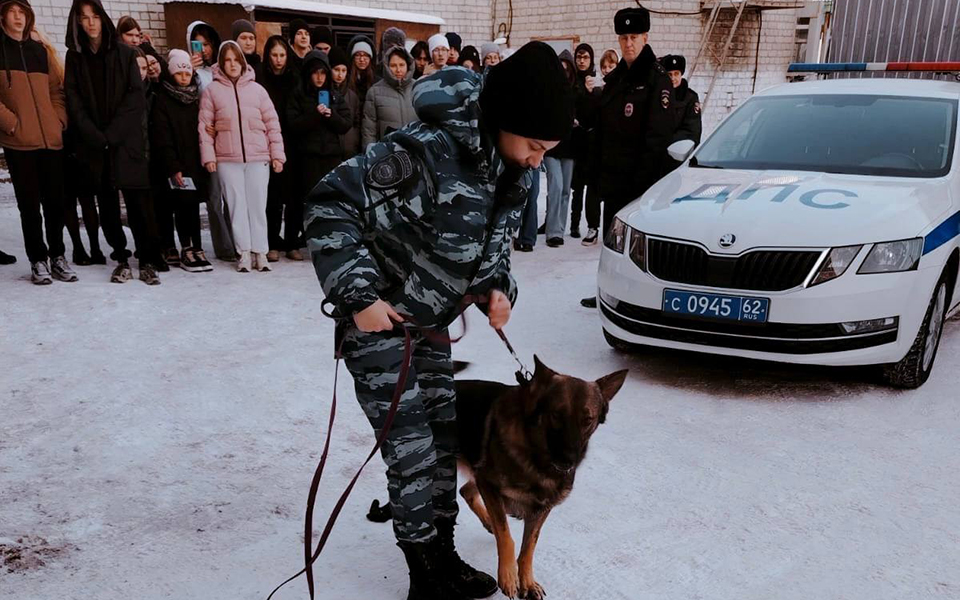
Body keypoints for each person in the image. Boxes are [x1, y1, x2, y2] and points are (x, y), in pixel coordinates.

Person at [304, 41, 573, 600]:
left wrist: (499, 290)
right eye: (534, 146)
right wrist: (358, 296)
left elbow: (492, 254)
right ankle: (424, 575)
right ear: (506, 119)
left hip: (429, 328)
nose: (537, 161)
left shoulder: (512, 173)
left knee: (445, 441)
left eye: (547, 151)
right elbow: (329, 203)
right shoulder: (426, 151)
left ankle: (442, 553)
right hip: (379, 324)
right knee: (412, 450)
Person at [581, 7, 675, 308]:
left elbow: (657, 138)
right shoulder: (617, 78)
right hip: (612, 178)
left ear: (645, 37)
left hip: (638, 182)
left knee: (636, 248)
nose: (628, 43)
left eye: (634, 37)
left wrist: (642, 185)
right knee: (612, 243)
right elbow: (601, 124)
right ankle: (607, 291)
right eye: (623, 38)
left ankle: (635, 300)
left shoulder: (656, 78)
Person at [65, 0, 163, 285]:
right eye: (84, 17)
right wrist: (95, 136)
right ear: (77, 22)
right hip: (95, 144)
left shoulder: (125, 53)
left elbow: (135, 97)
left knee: (139, 203)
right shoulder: (75, 57)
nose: (91, 22)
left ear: (103, 18)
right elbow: (73, 98)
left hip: (126, 140)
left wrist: (112, 134)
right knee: (107, 204)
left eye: (95, 16)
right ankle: (120, 256)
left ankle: (147, 259)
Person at [1, 0, 76, 284]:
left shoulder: (39, 51)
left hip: (50, 141)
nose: (18, 17)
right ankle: (38, 259)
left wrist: (59, 121)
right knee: (29, 206)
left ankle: (58, 256)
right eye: (12, 11)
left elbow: (57, 91)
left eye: (22, 12)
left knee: (55, 203)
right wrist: (11, 124)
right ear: (2, 16)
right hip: (19, 143)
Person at [199, 40, 285, 273]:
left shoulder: (258, 90)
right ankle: (244, 252)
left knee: (257, 205)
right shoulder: (212, 91)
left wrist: (277, 154)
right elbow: (205, 126)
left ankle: (261, 251)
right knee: (237, 206)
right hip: (227, 159)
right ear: (221, 63)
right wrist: (209, 157)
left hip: (258, 158)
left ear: (243, 62)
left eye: (236, 60)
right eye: (227, 60)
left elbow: (272, 124)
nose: (232, 64)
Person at [150, 49, 212, 272]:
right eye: (179, 74)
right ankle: (180, 246)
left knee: (192, 206)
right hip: (174, 163)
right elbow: (162, 136)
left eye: (187, 73)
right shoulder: (163, 99)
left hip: (194, 162)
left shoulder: (196, 98)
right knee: (176, 205)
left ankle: (195, 246)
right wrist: (173, 165)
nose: (184, 78)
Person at [286, 50, 351, 261]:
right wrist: (315, 114)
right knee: (301, 201)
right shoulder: (298, 94)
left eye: (323, 72)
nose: (320, 77)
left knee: (330, 202)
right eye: (315, 73)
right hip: (307, 157)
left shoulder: (334, 95)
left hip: (331, 156)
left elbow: (346, 123)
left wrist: (331, 115)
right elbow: (293, 124)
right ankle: (292, 243)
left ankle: (328, 243)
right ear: (308, 73)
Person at [258, 35, 297, 261]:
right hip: (267, 142)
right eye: (274, 55)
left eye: (282, 55)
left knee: (291, 196)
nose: (279, 59)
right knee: (272, 196)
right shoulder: (261, 79)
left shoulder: (294, 79)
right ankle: (272, 242)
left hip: (292, 141)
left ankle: (291, 243)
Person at [542, 49, 577, 248]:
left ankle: (559, 229)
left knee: (565, 190)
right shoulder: (548, 89)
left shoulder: (576, 90)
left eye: (567, 69)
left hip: (569, 146)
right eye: (560, 68)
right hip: (551, 146)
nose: (564, 72)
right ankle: (553, 232)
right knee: (555, 186)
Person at [570, 42, 601, 243]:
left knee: (591, 185)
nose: (582, 61)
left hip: (591, 139)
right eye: (579, 57)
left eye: (585, 57)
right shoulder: (573, 81)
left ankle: (591, 225)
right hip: (575, 138)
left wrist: (591, 93)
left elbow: (596, 110)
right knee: (576, 186)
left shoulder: (595, 81)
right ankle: (574, 224)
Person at [361, 44, 415, 148]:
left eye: (402, 65)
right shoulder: (375, 92)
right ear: (387, 66)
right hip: (387, 151)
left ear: (408, 65)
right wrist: (370, 153)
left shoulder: (418, 88)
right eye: (393, 66)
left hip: (414, 151)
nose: (398, 70)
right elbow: (369, 130)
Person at [660, 53, 702, 173]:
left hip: (678, 159)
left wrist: (666, 142)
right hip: (657, 159)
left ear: (681, 74)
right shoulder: (658, 95)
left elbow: (692, 131)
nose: (673, 78)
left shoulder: (690, 98)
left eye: (676, 74)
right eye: (669, 74)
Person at [329, 45, 360, 159]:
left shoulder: (352, 96)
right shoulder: (324, 93)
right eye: (336, 70)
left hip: (349, 151)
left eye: (344, 70)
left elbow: (357, 123)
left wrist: (355, 141)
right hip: (330, 152)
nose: (340, 75)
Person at [186, 20, 220, 89]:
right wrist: (189, 72)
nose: (203, 50)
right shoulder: (188, 70)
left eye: (206, 44)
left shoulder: (222, 66)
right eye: (197, 46)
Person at [347, 34, 375, 107]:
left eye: (365, 55)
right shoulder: (346, 79)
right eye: (358, 55)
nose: (362, 59)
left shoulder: (376, 81)